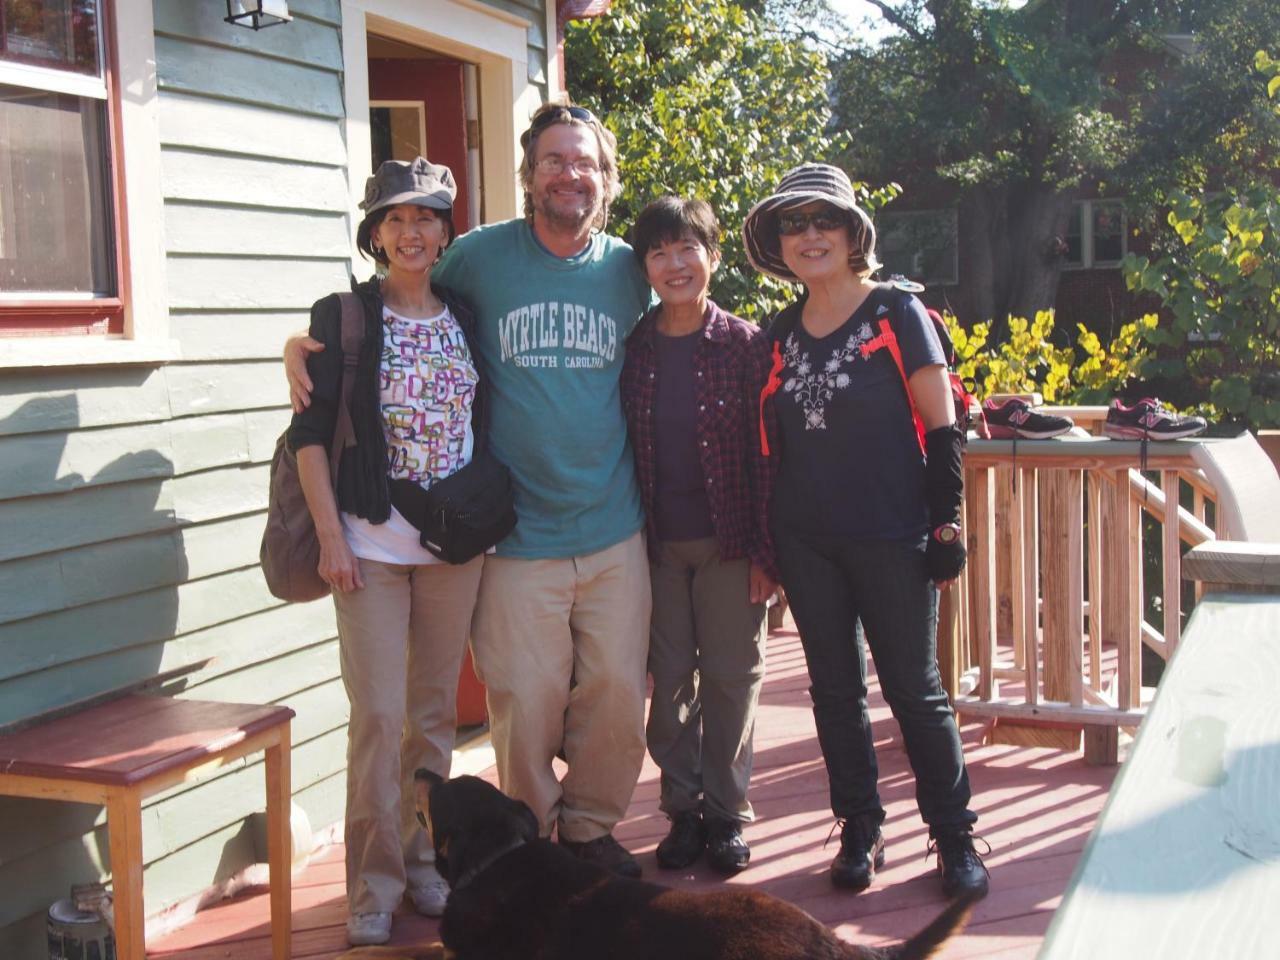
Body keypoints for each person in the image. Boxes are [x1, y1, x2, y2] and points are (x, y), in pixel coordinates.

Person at [287, 101, 653, 878]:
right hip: (510, 532)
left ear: (607, 178)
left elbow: (690, 311)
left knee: (617, 692)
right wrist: (299, 347)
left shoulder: (628, 270)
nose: (569, 173)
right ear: (528, 177)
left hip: (608, 523)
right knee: (521, 702)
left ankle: (588, 834)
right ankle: (529, 843)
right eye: (552, 160)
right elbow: (386, 296)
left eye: (583, 161)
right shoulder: (479, 260)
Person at [742, 163, 989, 899]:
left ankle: (954, 838)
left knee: (916, 692)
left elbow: (943, 429)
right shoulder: (778, 334)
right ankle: (859, 828)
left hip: (893, 533)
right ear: (778, 243)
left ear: (854, 234)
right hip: (806, 541)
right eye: (794, 222)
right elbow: (768, 447)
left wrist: (944, 525)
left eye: (825, 220)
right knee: (835, 692)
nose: (810, 234)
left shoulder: (895, 313)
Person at [287, 157, 486, 946]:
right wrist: (331, 535)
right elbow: (308, 435)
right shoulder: (343, 316)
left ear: (444, 233)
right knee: (377, 715)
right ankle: (372, 884)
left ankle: (424, 860)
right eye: (397, 217)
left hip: (452, 549)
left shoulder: (467, 312)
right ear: (374, 232)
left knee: (433, 717)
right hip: (367, 545)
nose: (413, 230)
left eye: (428, 216)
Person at [620, 196, 776, 874]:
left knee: (731, 681)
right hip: (653, 545)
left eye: (688, 248)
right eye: (659, 251)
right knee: (670, 682)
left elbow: (772, 459)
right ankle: (682, 811)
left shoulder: (745, 345)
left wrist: (771, 555)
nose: (675, 263)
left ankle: (726, 815)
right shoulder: (633, 350)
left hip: (731, 543)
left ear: (712, 256)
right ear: (645, 267)